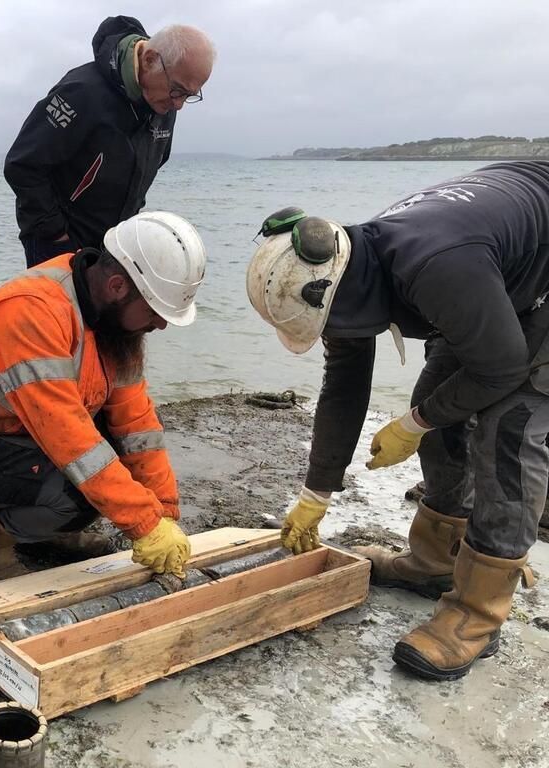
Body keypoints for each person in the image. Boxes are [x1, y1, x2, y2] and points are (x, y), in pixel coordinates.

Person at [245, 162, 548, 681]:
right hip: (496, 274)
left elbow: (501, 368)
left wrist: (414, 423)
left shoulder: (434, 266)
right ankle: (435, 563)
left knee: (508, 430)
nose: (330, 336)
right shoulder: (348, 267)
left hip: (535, 285)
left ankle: (478, 617)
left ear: (335, 296)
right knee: (436, 399)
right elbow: (344, 386)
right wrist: (315, 493)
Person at [0, 211, 207, 583]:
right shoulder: (31, 311)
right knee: (84, 489)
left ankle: (44, 532)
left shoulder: (117, 326)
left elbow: (137, 425)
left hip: (25, 437)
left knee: (113, 473)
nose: (161, 324)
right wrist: (143, 524)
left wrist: (164, 513)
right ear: (118, 286)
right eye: (155, 310)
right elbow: (68, 439)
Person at [4, 16, 214, 268]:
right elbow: (23, 165)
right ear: (149, 60)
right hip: (58, 242)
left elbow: (153, 164)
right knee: (57, 308)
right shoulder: (82, 92)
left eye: (190, 95)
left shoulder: (163, 103)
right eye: (178, 90)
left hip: (114, 245)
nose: (179, 105)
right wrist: (56, 234)